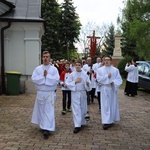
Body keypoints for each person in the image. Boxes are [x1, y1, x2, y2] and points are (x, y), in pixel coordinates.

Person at [31, 51, 60, 139]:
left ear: (50, 58)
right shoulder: (38, 68)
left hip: (49, 93)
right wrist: (43, 77)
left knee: (48, 111)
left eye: (47, 57)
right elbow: (34, 79)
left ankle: (47, 128)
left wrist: (47, 76)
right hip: (40, 93)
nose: (45, 58)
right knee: (41, 110)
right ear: (42, 58)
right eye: (44, 56)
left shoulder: (54, 69)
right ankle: (42, 125)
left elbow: (56, 80)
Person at [96, 56, 122, 130]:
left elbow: (119, 79)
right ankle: (106, 121)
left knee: (112, 104)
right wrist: (106, 76)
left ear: (111, 61)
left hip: (112, 89)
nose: (106, 61)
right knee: (105, 105)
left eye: (108, 60)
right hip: (104, 88)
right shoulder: (100, 70)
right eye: (105, 60)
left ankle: (111, 119)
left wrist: (114, 82)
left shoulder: (115, 70)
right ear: (103, 61)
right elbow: (98, 79)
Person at [65, 60, 91, 133]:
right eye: (76, 65)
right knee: (76, 109)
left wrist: (87, 84)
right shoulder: (72, 74)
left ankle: (82, 122)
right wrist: (75, 82)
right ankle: (77, 125)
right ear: (74, 66)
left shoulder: (85, 74)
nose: (77, 66)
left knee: (83, 108)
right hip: (75, 93)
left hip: (82, 93)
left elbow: (89, 84)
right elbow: (67, 83)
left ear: (81, 66)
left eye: (79, 65)